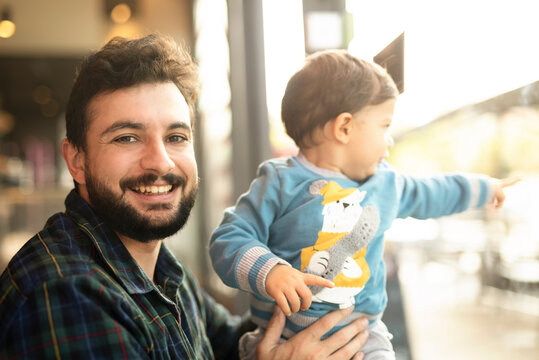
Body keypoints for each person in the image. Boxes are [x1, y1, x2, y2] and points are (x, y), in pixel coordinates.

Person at [0, 35, 371, 359]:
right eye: (127, 137)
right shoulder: (64, 291)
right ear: (76, 161)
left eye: (176, 137)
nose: (160, 161)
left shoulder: (158, 265)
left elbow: (233, 344)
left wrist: (303, 279)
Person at [209, 50, 518, 359]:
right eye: (385, 125)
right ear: (344, 127)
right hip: (279, 337)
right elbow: (228, 238)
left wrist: (483, 187)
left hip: (361, 335)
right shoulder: (279, 182)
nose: (390, 139)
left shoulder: (385, 183)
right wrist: (270, 271)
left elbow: (431, 192)